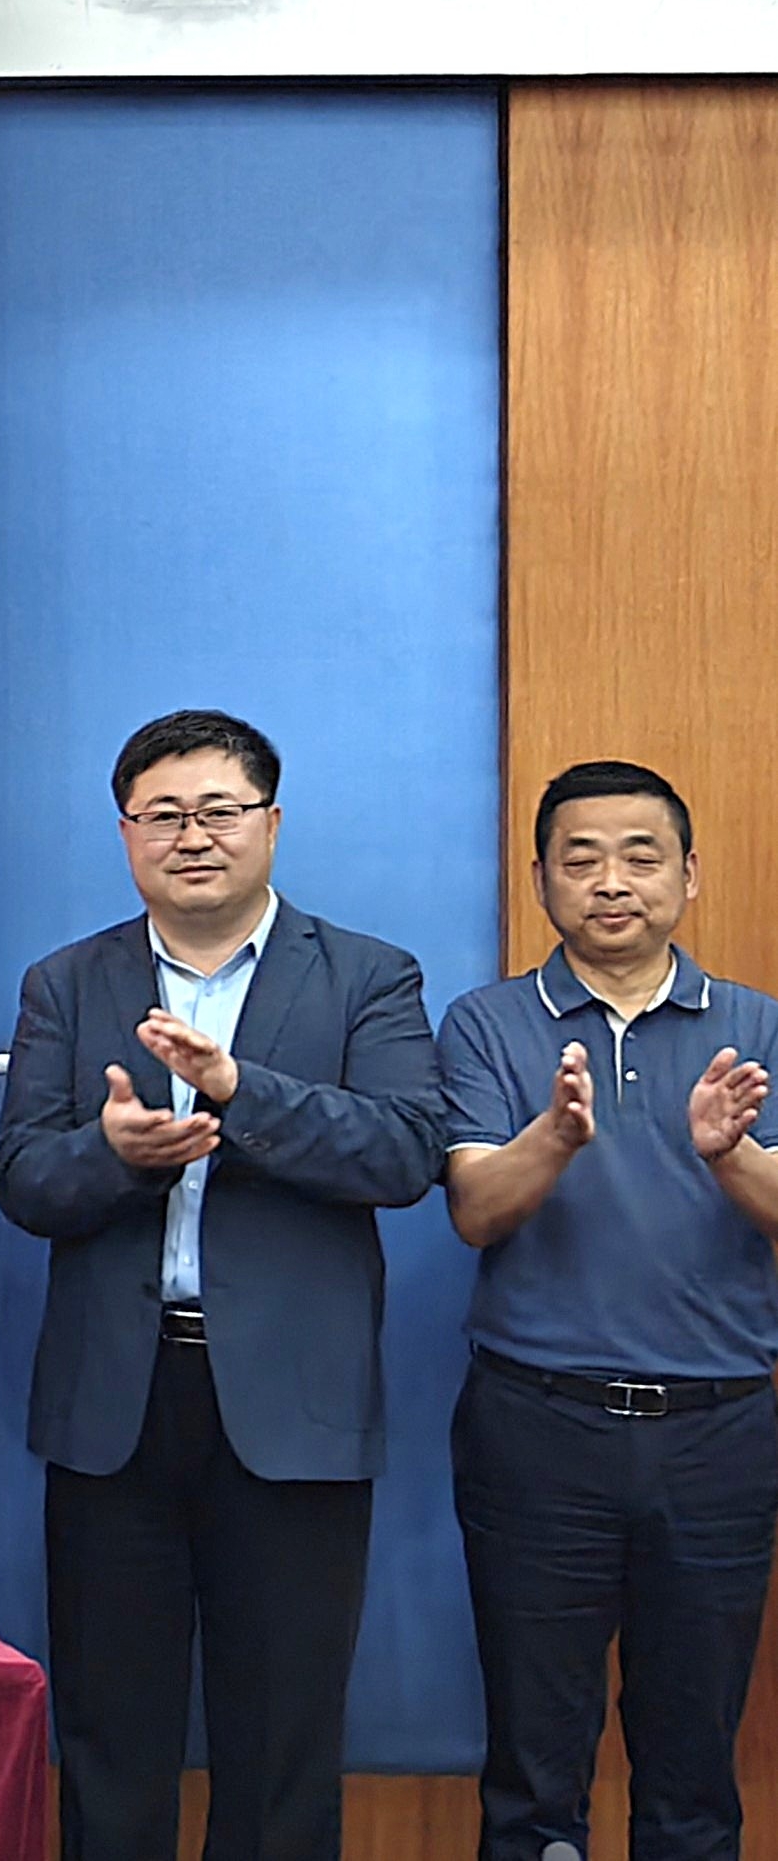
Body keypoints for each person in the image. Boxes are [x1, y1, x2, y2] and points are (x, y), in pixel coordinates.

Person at [0, 709, 447, 1861]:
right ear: (124, 833)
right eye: (161, 814)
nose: (190, 836)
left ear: (270, 823)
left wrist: (241, 1091)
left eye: (217, 810)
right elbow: (21, 1179)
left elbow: (402, 1152)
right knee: (108, 1734)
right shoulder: (65, 980)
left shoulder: (366, 975)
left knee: (282, 1740)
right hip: (116, 1407)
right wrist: (113, 1155)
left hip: (292, 1409)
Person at [439, 761, 778, 1861]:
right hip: (538, 1427)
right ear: (540, 878)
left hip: (719, 1432)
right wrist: (553, 1137)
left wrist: (727, 1157)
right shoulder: (487, 1023)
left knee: (692, 1767)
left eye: (641, 856)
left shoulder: (756, 1025)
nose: (611, 881)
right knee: (533, 1767)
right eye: (579, 859)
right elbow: (474, 1211)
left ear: (689, 873)